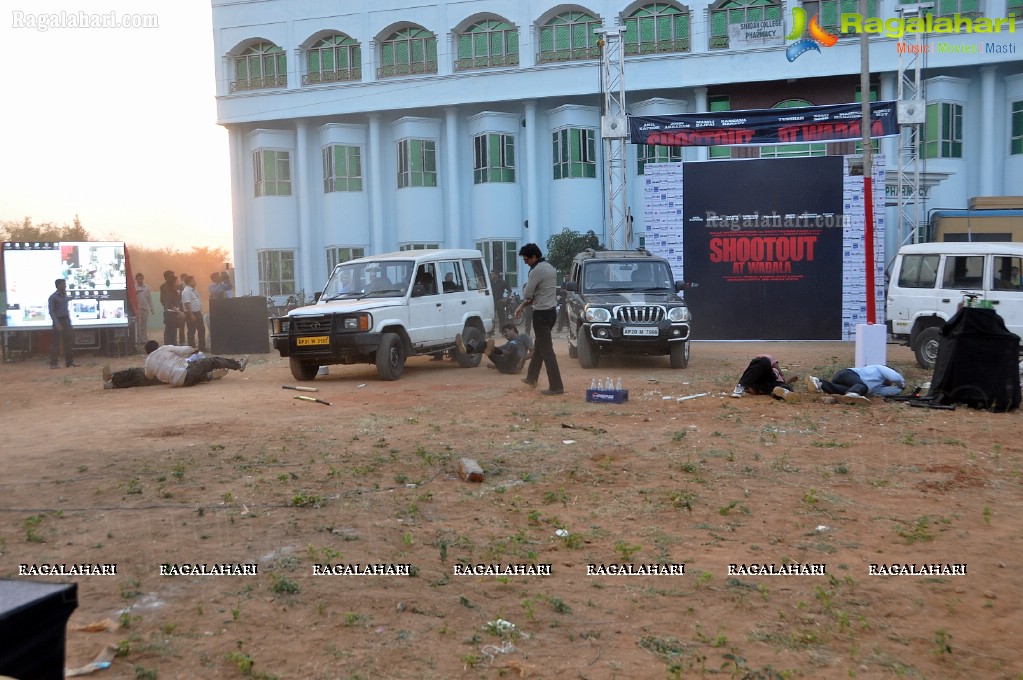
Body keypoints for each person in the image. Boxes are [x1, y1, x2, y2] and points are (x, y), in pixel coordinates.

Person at [516, 243, 564, 395]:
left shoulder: (536, 271)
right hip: (551, 313)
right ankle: (531, 378)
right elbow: (539, 293)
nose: (525, 262)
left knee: (547, 351)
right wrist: (522, 307)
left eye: (526, 259)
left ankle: (556, 386)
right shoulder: (550, 267)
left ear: (534, 257)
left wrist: (522, 304)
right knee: (540, 346)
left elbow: (527, 293)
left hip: (541, 314)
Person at [124, 340, 247, 388]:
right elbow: (183, 350)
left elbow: (149, 376)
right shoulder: (164, 348)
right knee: (212, 361)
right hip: (186, 371)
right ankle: (238, 365)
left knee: (191, 376)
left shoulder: (148, 362)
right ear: (157, 346)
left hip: (178, 383)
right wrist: (193, 350)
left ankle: (209, 376)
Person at [456, 323, 534, 374]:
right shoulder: (508, 344)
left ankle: (491, 350)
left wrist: (523, 359)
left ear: (512, 329)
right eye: (503, 333)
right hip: (503, 368)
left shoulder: (523, 336)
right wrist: (494, 365)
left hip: (515, 365)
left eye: (505, 331)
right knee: (485, 345)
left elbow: (533, 352)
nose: (504, 334)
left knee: (512, 348)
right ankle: (466, 349)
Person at [805, 365, 907, 404]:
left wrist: (899, 390)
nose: (890, 383)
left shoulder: (877, 387)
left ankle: (818, 383)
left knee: (837, 390)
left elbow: (888, 392)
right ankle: (852, 394)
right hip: (847, 374)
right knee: (862, 387)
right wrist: (902, 384)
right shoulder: (879, 368)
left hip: (848, 383)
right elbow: (896, 377)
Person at [730, 355, 797, 398]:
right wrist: (782, 374)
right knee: (764, 360)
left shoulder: (759, 366)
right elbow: (770, 362)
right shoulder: (764, 361)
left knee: (782, 388)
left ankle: (783, 393)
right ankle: (742, 387)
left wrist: (790, 380)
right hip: (764, 379)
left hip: (768, 385)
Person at [48, 278, 77, 368]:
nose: (65, 286)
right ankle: (53, 364)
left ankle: (69, 362)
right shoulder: (53, 297)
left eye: (65, 284)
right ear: (58, 286)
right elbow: (51, 312)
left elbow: (69, 299)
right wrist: (57, 324)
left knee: (68, 341)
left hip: (66, 320)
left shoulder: (64, 296)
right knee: (56, 343)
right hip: (58, 320)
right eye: (63, 284)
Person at [180, 275, 206, 352]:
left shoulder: (194, 290)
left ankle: (202, 347)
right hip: (191, 313)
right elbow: (187, 304)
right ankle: (192, 348)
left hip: (198, 312)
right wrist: (191, 315)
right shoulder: (186, 291)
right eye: (193, 281)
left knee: (201, 329)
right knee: (192, 331)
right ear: (188, 282)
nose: (195, 282)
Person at [160, 270, 183, 346]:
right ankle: (169, 346)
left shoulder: (176, 290)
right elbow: (169, 303)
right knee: (170, 330)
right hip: (170, 312)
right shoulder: (168, 290)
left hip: (173, 312)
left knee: (173, 330)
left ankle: (172, 345)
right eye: (176, 281)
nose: (178, 282)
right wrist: (179, 312)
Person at [134, 272, 155, 349]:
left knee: (144, 324)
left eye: (141, 278)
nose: (140, 280)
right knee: (139, 325)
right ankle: (139, 339)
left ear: (143, 279)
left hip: (145, 308)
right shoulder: (134, 288)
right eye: (138, 279)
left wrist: (152, 308)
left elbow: (149, 298)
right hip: (138, 309)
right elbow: (132, 298)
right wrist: (135, 292)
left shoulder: (147, 287)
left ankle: (144, 338)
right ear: (136, 280)